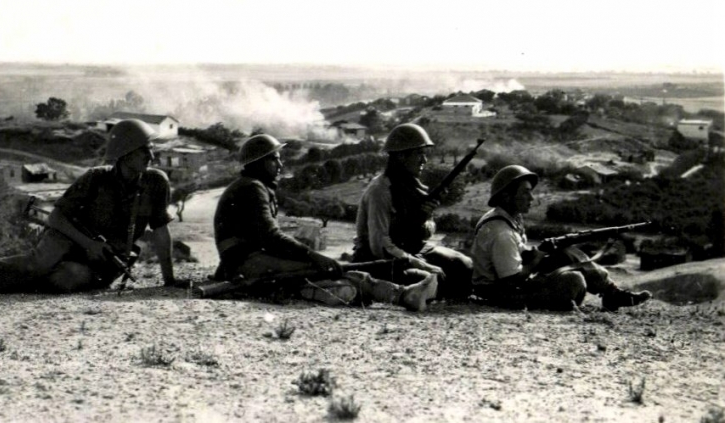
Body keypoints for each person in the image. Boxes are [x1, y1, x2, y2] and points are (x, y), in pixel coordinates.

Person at [0, 119, 187, 293]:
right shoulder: (95, 178)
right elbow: (56, 218)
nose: (152, 156)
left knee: (65, 279)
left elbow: (161, 232)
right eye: (145, 150)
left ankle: (7, 279)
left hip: (105, 261)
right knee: (36, 267)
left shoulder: (155, 182)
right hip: (69, 239)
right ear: (125, 153)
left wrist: (169, 280)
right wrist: (89, 244)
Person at [213, 133, 438, 311]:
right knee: (323, 268)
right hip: (246, 262)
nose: (280, 165)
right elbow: (271, 237)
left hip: (247, 259)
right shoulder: (252, 188)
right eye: (274, 159)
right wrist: (313, 255)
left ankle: (390, 293)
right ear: (258, 163)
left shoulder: (252, 186)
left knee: (327, 271)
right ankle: (403, 295)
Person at [471, 165, 652, 311]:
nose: (531, 197)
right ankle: (604, 296)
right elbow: (510, 281)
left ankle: (612, 294)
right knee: (573, 281)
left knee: (568, 253)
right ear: (506, 196)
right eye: (525, 192)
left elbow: (515, 255)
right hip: (499, 293)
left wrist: (542, 252)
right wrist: (539, 257)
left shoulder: (509, 218)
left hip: (507, 283)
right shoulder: (501, 232)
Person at [353, 123, 474, 299]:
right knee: (425, 278)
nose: (424, 160)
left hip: (413, 250)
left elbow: (428, 230)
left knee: (464, 265)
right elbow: (379, 245)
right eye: (419, 154)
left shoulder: (415, 188)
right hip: (381, 259)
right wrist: (422, 264)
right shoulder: (380, 190)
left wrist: (424, 219)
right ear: (402, 156)